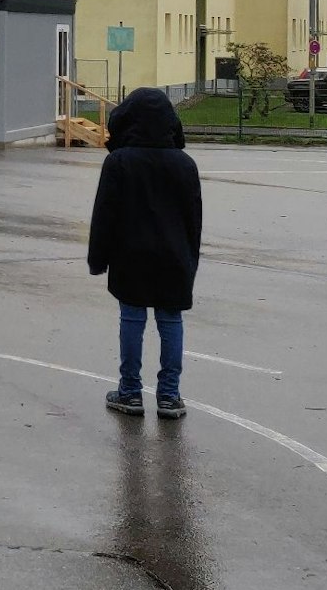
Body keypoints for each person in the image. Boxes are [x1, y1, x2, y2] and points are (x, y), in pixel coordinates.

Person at [88, 87, 201, 420]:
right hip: (174, 257)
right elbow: (193, 219)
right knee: (171, 321)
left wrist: (98, 259)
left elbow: (104, 215)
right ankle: (169, 396)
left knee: (132, 320)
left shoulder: (119, 162)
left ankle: (130, 392)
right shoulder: (185, 164)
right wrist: (190, 262)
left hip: (130, 255)